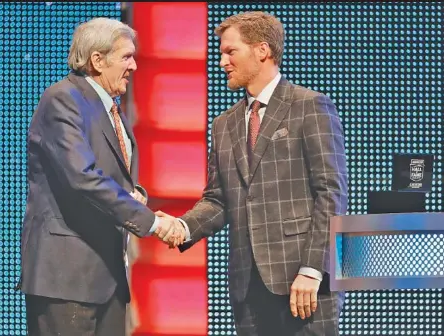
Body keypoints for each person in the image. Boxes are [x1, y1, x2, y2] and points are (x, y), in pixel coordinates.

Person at [157, 11, 348, 336]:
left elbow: (331, 193)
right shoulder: (224, 124)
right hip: (248, 287)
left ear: (262, 50)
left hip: (302, 284)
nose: (222, 62)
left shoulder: (309, 106)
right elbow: (219, 200)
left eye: (230, 51)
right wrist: (183, 226)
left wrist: (312, 269)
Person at [19, 17, 184, 336]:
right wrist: (153, 222)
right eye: (126, 57)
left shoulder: (111, 109)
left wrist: (134, 194)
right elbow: (82, 177)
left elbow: (107, 176)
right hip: (67, 280)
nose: (134, 66)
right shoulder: (63, 99)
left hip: (106, 280)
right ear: (97, 59)